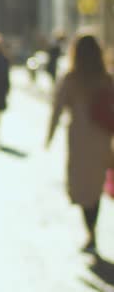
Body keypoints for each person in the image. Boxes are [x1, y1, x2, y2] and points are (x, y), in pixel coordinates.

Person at [46, 35, 114, 255]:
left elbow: (57, 107)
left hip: (79, 141)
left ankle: (91, 232)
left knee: (81, 187)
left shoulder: (71, 78)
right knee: (95, 187)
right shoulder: (106, 78)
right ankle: (92, 231)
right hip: (102, 140)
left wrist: (50, 135)